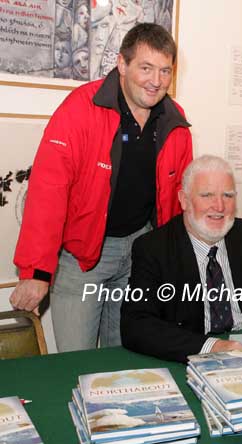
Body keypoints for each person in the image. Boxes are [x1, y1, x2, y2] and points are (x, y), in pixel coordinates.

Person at [10, 23, 193, 352]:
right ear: (122, 64)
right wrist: (36, 271)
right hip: (83, 257)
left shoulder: (174, 119)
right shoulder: (81, 108)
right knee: (77, 362)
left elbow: (180, 195)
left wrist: (176, 259)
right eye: (146, 68)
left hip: (141, 252)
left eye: (165, 70)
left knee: (123, 360)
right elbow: (48, 191)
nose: (156, 81)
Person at [120, 155, 242, 363]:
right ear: (184, 200)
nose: (220, 206)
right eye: (207, 195)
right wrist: (211, 346)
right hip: (191, 354)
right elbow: (136, 324)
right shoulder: (153, 247)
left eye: (228, 196)